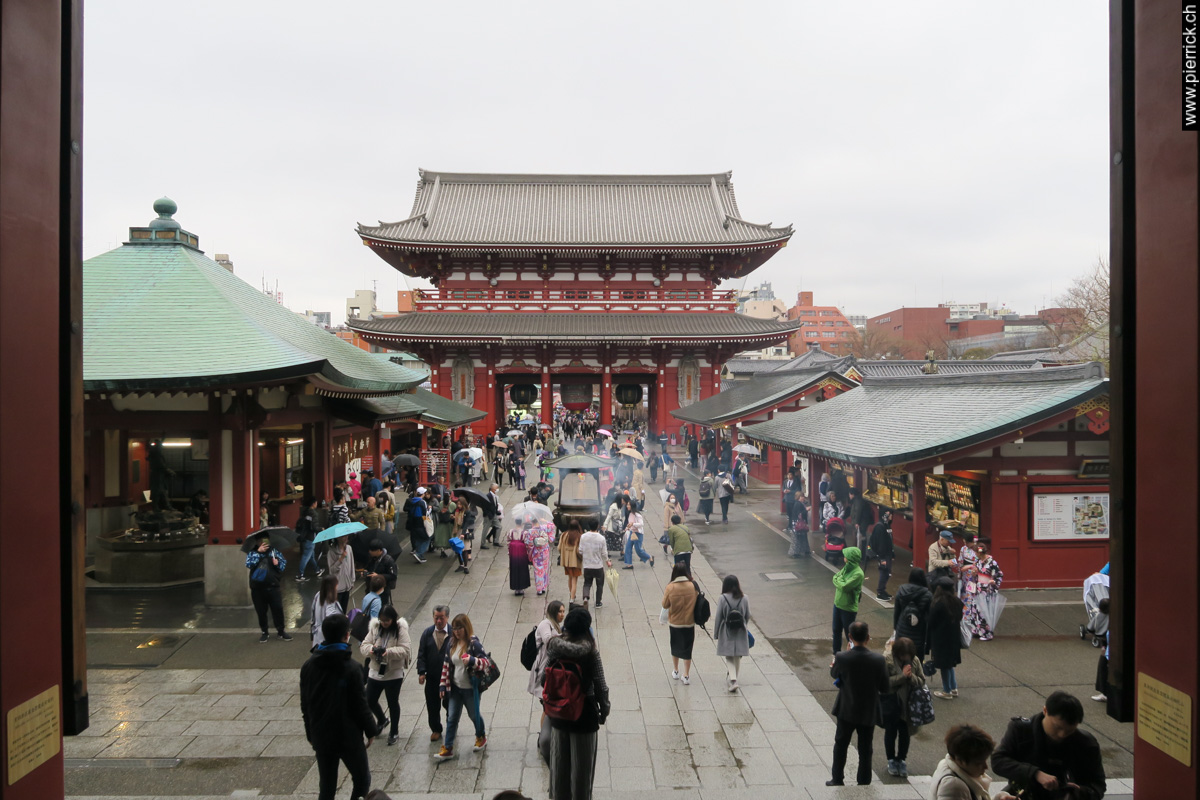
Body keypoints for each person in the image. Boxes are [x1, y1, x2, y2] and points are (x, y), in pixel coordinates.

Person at [300, 613, 380, 800]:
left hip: (322, 734)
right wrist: (371, 730)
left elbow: (305, 705)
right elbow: (360, 704)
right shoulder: (352, 668)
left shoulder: (308, 666)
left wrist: (310, 733)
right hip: (348, 736)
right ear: (347, 635)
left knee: (327, 784)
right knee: (362, 779)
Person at [545, 607, 611, 800]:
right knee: (582, 773)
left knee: (559, 771)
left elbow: (543, 679)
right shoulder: (590, 653)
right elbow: (601, 687)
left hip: (559, 715)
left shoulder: (555, 649)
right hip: (584, 716)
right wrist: (604, 711)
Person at [991, 691, 1106, 800]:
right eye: (1057, 727)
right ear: (1045, 711)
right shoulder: (1021, 731)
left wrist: (1079, 792)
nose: (1062, 734)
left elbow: (1098, 785)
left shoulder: (1085, 743)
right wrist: (1035, 774)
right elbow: (998, 761)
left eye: (1069, 731)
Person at [826, 621, 888, 787]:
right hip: (868, 710)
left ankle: (837, 778)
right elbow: (885, 687)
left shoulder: (842, 657)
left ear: (850, 637)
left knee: (841, 744)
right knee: (865, 749)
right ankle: (864, 781)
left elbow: (834, 673)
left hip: (846, 708)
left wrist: (846, 653)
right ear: (868, 637)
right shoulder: (879, 660)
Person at [434, 614, 491, 760]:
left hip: (470, 689)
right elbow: (446, 665)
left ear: (466, 627)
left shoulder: (473, 644)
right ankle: (448, 747)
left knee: (474, 715)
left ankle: (481, 735)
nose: (457, 631)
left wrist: (472, 660)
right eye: (454, 628)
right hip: (455, 688)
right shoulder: (451, 643)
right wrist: (442, 685)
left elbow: (485, 662)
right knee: (452, 717)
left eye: (459, 628)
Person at [359, 605, 411, 746]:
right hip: (375, 672)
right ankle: (382, 719)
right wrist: (372, 649)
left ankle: (394, 731)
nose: (384, 623)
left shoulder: (400, 630)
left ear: (393, 619)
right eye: (382, 620)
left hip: (393, 673)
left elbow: (405, 649)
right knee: (369, 700)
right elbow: (364, 645)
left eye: (387, 620)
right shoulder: (375, 628)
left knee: (392, 702)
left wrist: (388, 652)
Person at [931, 724, 1019, 800]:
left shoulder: (948, 764)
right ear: (960, 760)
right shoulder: (954, 787)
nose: (986, 767)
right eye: (978, 763)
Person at [881, 636, 926, 778]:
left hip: (908, 705)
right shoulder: (887, 660)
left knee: (905, 734)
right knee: (890, 732)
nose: (905, 658)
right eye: (902, 656)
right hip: (892, 703)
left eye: (908, 656)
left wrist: (911, 677)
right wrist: (902, 677)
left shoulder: (915, 661)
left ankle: (901, 759)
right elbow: (883, 683)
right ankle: (891, 759)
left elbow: (922, 681)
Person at [246, 532, 291, 643]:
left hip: (273, 586)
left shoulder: (274, 551)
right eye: (261, 541)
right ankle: (264, 632)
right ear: (257, 542)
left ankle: (281, 631)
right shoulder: (252, 552)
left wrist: (277, 563)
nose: (264, 542)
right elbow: (249, 564)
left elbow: (283, 565)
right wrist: (258, 552)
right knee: (261, 611)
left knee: (278, 609)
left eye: (266, 540)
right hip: (257, 588)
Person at [416, 605, 452, 742]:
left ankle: (451, 727)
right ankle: (436, 729)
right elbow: (421, 654)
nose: (439, 621)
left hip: (449, 678)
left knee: (450, 705)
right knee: (432, 706)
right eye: (436, 618)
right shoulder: (427, 633)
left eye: (441, 618)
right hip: (432, 677)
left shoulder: (453, 633)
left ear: (447, 617)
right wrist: (421, 672)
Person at [661, 563, 698, 684]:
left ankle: (676, 670)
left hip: (675, 623)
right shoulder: (692, 585)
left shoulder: (670, 587)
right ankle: (686, 675)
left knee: (675, 645)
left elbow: (665, 604)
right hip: (689, 622)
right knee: (687, 648)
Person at [960, 540, 1004, 641]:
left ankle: (987, 634)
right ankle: (977, 630)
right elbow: (975, 574)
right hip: (978, 588)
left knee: (984, 612)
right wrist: (974, 574)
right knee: (975, 610)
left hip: (987, 589)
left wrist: (993, 581)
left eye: (976, 552)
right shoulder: (978, 562)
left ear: (979, 553)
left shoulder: (992, 563)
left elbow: (999, 574)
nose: (975, 554)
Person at [928, 578, 964, 699]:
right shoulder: (957, 601)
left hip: (941, 638)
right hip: (954, 637)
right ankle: (953, 687)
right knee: (949, 664)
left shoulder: (938, 603)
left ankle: (947, 690)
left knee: (944, 665)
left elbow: (931, 621)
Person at [714, 574, 750, 692]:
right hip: (740, 629)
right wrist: (744, 625)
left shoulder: (723, 598)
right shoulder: (744, 598)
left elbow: (718, 616)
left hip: (726, 629)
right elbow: (747, 615)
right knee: (737, 655)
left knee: (729, 655)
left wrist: (716, 633)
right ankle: (734, 678)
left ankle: (733, 680)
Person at [528, 600, 565, 706]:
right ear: (553, 612)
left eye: (563, 611)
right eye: (560, 612)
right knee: (547, 702)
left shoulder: (555, 625)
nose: (562, 614)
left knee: (547, 705)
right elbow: (548, 640)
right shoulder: (545, 623)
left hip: (550, 664)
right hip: (543, 665)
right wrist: (565, 636)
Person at [831, 546, 864, 654]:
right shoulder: (846, 567)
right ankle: (836, 654)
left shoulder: (858, 573)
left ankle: (853, 655)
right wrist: (840, 581)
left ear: (850, 558)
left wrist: (839, 580)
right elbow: (835, 577)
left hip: (848, 609)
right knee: (836, 631)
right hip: (837, 604)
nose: (843, 557)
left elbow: (845, 586)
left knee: (850, 634)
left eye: (845, 555)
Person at [893, 569, 933, 656]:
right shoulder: (928, 594)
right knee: (916, 660)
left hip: (902, 629)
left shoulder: (901, 590)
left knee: (900, 657)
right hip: (919, 633)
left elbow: (897, 611)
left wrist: (896, 627)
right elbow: (930, 617)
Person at [578, 524, 611, 608]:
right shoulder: (601, 538)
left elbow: (580, 550)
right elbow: (604, 553)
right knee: (599, 584)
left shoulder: (583, 537)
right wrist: (607, 561)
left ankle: (585, 597)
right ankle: (598, 602)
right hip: (598, 566)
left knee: (587, 583)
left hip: (587, 565)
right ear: (597, 526)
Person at [295, 495, 324, 582]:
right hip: (310, 537)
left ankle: (317, 570)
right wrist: (321, 529)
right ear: (314, 503)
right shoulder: (313, 513)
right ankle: (300, 574)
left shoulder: (305, 512)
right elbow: (314, 527)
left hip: (303, 536)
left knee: (311, 556)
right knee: (306, 556)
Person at [310, 575, 343, 651]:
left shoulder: (318, 595)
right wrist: (342, 619)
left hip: (318, 634)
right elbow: (331, 619)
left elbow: (313, 613)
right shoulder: (330, 601)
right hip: (327, 638)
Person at [867, 509, 895, 600]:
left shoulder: (887, 525)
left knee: (887, 572)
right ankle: (880, 592)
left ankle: (882, 590)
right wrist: (882, 558)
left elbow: (889, 541)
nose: (891, 516)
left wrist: (892, 554)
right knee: (884, 572)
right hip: (883, 555)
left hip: (887, 554)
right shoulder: (880, 527)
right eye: (890, 514)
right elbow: (881, 543)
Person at [327, 535, 355, 615]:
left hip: (347, 585)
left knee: (344, 610)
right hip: (337, 588)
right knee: (337, 612)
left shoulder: (349, 548)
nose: (346, 537)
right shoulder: (332, 552)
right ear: (337, 538)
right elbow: (332, 570)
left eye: (346, 535)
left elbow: (351, 564)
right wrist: (340, 559)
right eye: (343, 536)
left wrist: (352, 580)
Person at [530, 516, 557, 596]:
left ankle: (539, 589)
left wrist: (530, 552)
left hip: (536, 552)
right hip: (545, 551)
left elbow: (528, 543)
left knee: (538, 570)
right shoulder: (544, 528)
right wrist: (545, 520)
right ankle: (544, 587)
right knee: (545, 569)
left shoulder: (531, 531)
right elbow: (552, 526)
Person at [507, 517, 533, 596]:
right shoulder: (524, 532)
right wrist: (529, 553)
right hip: (522, 550)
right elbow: (528, 543)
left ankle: (516, 588)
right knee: (522, 568)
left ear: (515, 522)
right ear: (521, 523)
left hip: (513, 550)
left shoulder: (511, 531)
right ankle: (521, 588)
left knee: (514, 568)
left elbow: (508, 542)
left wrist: (509, 551)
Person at [622, 504, 653, 569]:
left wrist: (633, 524)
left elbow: (641, 524)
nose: (627, 506)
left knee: (638, 550)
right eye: (627, 505)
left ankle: (649, 557)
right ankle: (629, 564)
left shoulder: (638, 515)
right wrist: (627, 528)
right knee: (628, 548)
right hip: (632, 532)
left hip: (638, 534)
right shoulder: (630, 514)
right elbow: (630, 523)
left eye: (629, 505)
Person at [559, 521, 584, 602]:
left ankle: (571, 594)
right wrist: (582, 558)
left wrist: (564, 554)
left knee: (569, 578)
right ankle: (572, 598)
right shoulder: (579, 536)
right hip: (575, 561)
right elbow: (578, 551)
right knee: (574, 580)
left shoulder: (563, 535)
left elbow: (559, 548)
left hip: (566, 561)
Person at [405, 486, 431, 564]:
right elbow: (425, 513)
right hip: (420, 522)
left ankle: (417, 551)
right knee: (427, 538)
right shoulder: (422, 502)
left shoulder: (411, 500)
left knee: (418, 538)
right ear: (423, 494)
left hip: (412, 522)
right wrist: (430, 509)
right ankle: (419, 553)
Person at [788, 491, 811, 558]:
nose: (803, 498)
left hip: (797, 523)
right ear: (798, 497)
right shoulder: (798, 504)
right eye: (801, 496)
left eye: (803, 496)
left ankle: (802, 551)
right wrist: (806, 510)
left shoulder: (799, 503)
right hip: (798, 524)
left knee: (800, 537)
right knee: (797, 539)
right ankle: (795, 552)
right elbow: (800, 514)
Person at [482, 483, 503, 550]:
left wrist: (496, 511)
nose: (497, 489)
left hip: (494, 514)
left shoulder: (495, 496)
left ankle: (496, 541)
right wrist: (488, 514)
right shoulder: (488, 496)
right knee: (485, 529)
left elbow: (495, 505)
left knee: (499, 526)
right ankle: (482, 544)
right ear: (493, 489)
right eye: (496, 488)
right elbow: (484, 507)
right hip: (488, 516)